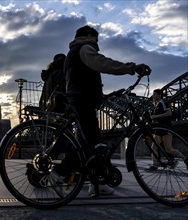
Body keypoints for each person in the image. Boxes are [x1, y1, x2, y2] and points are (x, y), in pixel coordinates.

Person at [63, 25, 151, 196]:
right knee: (96, 144)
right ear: (89, 36)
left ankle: (96, 183)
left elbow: (81, 77)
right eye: (97, 38)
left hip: (78, 99)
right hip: (83, 100)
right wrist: (131, 68)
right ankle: (61, 172)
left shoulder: (71, 53)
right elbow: (104, 64)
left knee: (90, 146)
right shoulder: (85, 48)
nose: (98, 43)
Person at [148, 89, 188, 170]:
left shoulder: (163, 103)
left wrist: (156, 116)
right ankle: (155, 165)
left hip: (166, 129)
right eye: (153, 94)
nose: (153, 96)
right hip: (158, 130)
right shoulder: (156, 104)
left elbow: (169, 113)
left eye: (155, 94)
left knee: (168, 149)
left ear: (159, 95)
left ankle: (185, 159)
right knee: (154, 147)